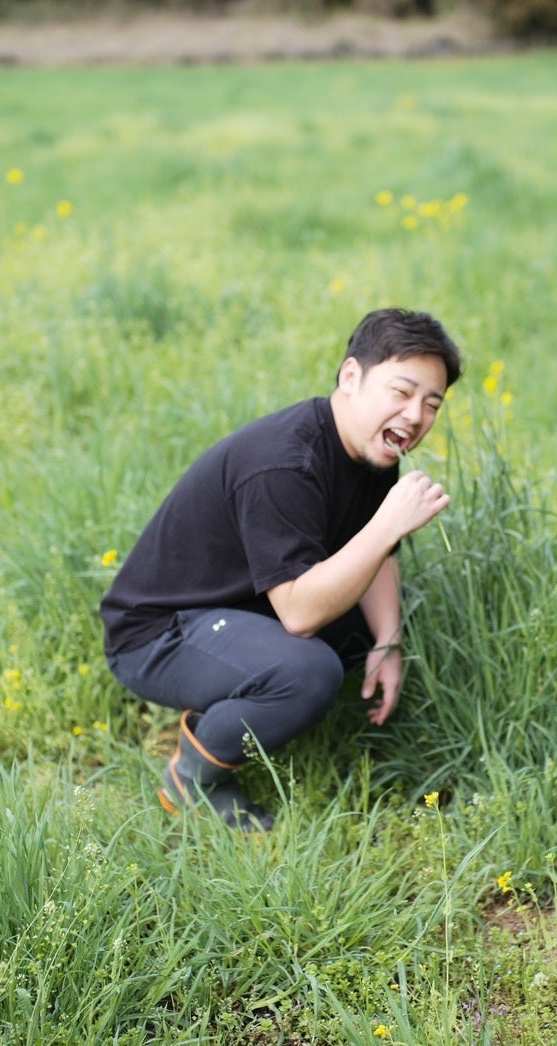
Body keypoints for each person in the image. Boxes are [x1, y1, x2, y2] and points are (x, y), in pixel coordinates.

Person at [99, 308, 463, 831]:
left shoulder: (372, 451)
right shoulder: (286, 462)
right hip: (158, 633)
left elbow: (375, 558)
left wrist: (389, 640)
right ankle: (195, 776)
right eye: (401, 393)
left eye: (432, 404)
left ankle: (231, 702)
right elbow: (298, 615)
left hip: (235, 608)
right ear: (351, 377)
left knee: (358, 626)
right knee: (309, 671)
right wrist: (389, 524)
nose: (415, 416)